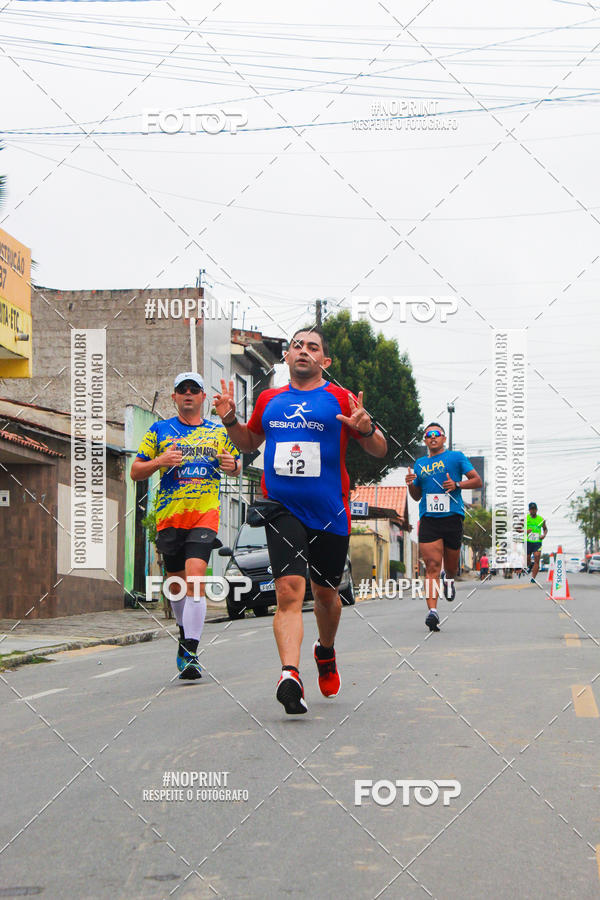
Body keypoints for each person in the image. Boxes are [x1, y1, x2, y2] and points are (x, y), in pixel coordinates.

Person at [214, 328, 387, 714]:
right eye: (297, 346)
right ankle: (289, 674)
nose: (304, 351)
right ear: (287, 358)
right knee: (289, 592)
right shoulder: (270, 400)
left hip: (330, 512)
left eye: (313, 347)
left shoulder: (341, 398)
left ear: (324, 361)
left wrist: (366, 428)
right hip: (282, 508)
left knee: (326, 595)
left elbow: (379, 450)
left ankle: (325, 652)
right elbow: (248, 442)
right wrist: (229, 419)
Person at [131, 372, 240, 680]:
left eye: (195, 390)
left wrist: (234, 466)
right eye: (183, 390)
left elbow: (235, 464)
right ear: (174, 397)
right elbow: (136, 471)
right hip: (169, 516)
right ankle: (184, 633)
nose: (189, 394)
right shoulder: (159, 430)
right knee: (176, 585)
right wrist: (159, 461)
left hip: (204, 514)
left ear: (204, 397)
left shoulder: (218, 432)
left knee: (195, 579)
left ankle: (191, 651)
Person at [405, 423, 482, 632]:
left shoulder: (456, 457)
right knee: (431, 567)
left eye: (436, 434)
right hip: (429, 519)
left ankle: (448, 579)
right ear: (425, 440)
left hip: (452, 518)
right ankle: (433, 612)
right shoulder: (420, 464)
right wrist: (411, 484)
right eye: (428, 435)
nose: (432, 438)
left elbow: (477, 481)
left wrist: (457, 485)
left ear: (444, 438)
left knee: (449, 567)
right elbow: (416, 496)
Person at [526, 502, 548, 582]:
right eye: (531, 509)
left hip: (537, 542)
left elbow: (545, 529)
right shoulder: (525, 519)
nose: (533, 511)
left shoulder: (541, 519)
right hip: (528, 541)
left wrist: (544, 535)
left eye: (534, 509)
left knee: (537, 556)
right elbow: (517, 529)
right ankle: (529, 565)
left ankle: (533, 578)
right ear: (529, 510)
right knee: (527, 560)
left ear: (537, 510)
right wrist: (525, 531)